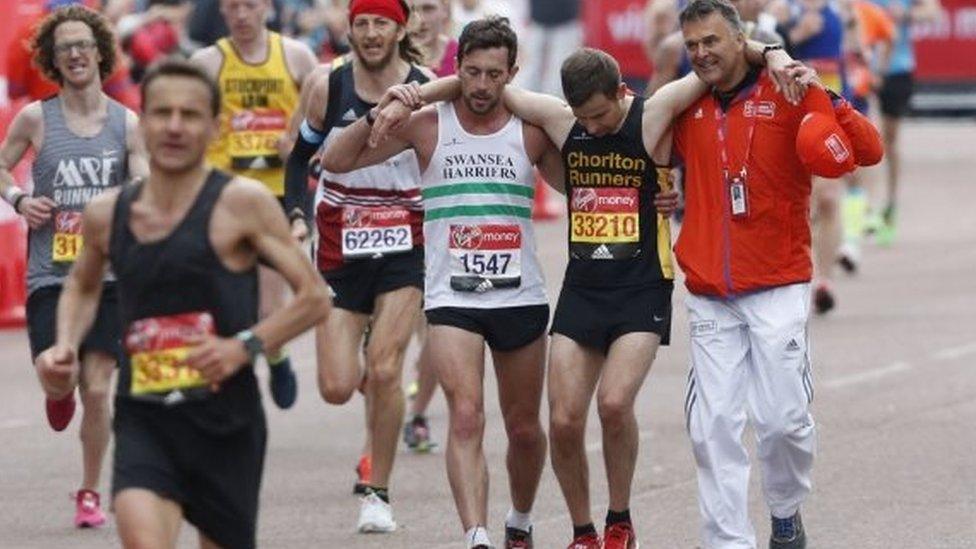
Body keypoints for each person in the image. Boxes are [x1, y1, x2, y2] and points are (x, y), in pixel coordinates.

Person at [369, 32, 805, 549]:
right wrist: (410, 95)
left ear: (622, 92)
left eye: (601, 117)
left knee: (615, 403)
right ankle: (584, 531)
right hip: (584, 288)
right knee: (563, 418)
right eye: (584, 120)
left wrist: (772, 51)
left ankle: (620, 518)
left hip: (641, 286)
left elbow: (719, 64)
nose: (592, 129)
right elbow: (480, 85)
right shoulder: (562, 120)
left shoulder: (654, 110)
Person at [34, 58, 330, 549]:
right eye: (162, 113)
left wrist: (244, 347)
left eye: (190, 115)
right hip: (145, 417)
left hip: (225, 424)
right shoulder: (108, 213)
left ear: (213, 127)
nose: (174, 126)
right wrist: (65, 345)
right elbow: (84, 285)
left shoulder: (243, 202)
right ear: (141, 121)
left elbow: (314, 297)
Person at [324, 16, 565, 549]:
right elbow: (337, 161)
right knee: (465, 415)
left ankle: (519, 521)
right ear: (456, 69)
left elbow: (579, 185)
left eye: (493, 75)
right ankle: (476, 534)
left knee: (525, 428)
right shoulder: (427, 124)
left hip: (519, 295)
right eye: (472, 72)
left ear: (511, 73)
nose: (481, 86)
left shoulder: (528, 129)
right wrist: (384, 111)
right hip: (452, 296)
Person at [661, 0, 883, 546]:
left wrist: (823, 96)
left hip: (779, 284)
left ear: (741, 41)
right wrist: (660, 190)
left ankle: (784, 509)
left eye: (711, 41)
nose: (702, 53)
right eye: (692, 45)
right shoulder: (685, 104)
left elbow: (868, 150)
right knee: (712, 429)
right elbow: (644, 151)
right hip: (710, 290)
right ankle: (728, 541)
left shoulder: (788, 90)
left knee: (783, 422)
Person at [283, 0, 432, 533]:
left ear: (401, 27)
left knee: (388, 366)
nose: (371, 33)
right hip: (339, 244)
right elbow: (299, 158)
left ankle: (378, 493)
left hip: (403, 243)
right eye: (362, 23)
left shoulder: (424, 87)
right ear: (350, 28)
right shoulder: (328, 86)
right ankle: (381, 397)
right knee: (338, 386)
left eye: (381, 23)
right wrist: (296, 215)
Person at [0, 5, 147, 529]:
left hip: (106, 279)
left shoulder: (126, 122)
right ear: (52, 60)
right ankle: (56, 395)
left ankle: (89, 492)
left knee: (100, 388)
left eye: (84, 44)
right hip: (51, 278)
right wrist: (19, 199)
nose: (76, 54)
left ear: (100, 53)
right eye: (65, 48)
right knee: (57, 377)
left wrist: (124, 205)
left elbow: (143, 186)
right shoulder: (37, 118)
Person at [191, 0, 319, 409]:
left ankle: (276, 354)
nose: (241, 15)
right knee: (222, 299)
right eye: (232, 7)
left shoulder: (296, 56)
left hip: (277, 195)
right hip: (224, 195)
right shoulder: (207, 62)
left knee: (267, 305)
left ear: (266, 5)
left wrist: (299, 146)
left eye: (249, 5)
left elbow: (322, 116)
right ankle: (226, 384)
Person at [867, 0, 941, 245]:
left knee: (889, 140)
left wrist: (906, 14)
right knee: (865, 134)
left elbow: (933, 11)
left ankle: (890, 204)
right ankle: (866, 206)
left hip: (897, 70)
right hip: (861, 68)